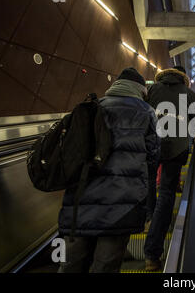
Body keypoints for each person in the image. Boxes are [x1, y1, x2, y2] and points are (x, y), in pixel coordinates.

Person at [58, 67, 160, 273]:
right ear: (140, 90)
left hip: (80, 200)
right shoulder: (146, 112)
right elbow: (153, 156)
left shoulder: (91, 108)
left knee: (71, 264)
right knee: (106, 265)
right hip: (121, 203)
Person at [144, 66, 195, 271]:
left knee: (148, 182)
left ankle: (149, 217)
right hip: (176, 151)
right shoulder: (192, 96)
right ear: (184, 79)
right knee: (166, 195)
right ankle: (151, 255)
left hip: (150, 146)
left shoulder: (151, 91)